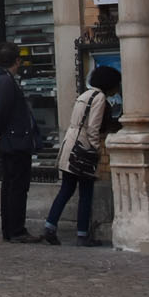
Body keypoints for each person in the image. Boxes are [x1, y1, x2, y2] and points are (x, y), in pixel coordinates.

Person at [43, 65, 120, 247]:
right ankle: (82, 233)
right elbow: (93, 127)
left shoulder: (85, 95)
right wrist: (95, 149)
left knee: (66, 189)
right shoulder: (99, 98)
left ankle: (50, 226)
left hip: (70, 145)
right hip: (83, 148)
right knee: (86, 192)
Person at [0, 46, 40, 242]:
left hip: (12, 139)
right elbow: (0, 112)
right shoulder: (5, 81)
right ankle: (16, 229)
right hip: (15, 141)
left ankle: (11, 229)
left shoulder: (0, 79)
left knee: (11, 185)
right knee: (16, 186)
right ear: (16, 61)